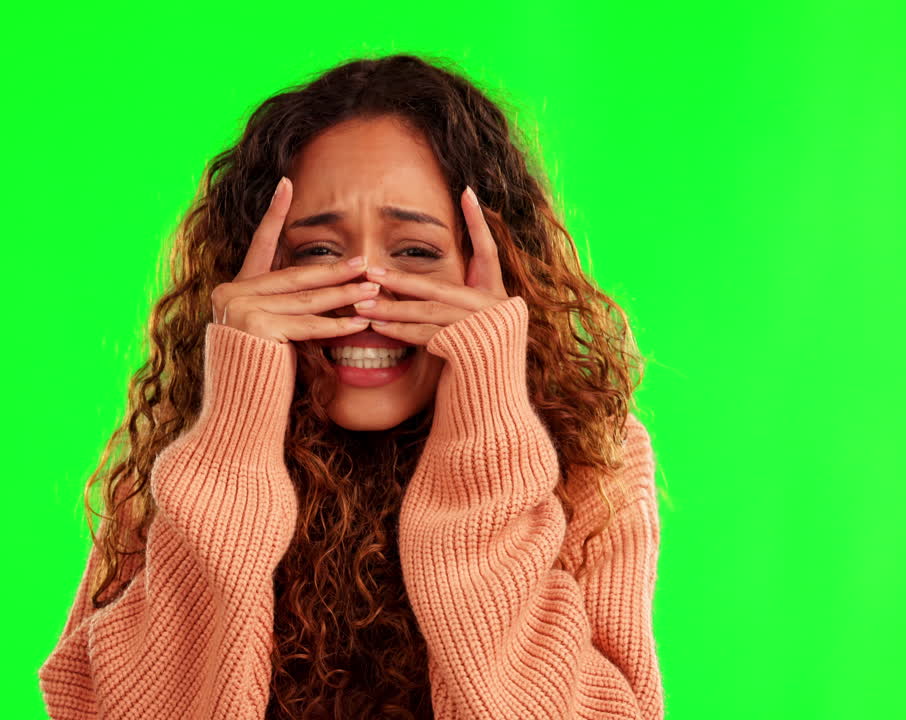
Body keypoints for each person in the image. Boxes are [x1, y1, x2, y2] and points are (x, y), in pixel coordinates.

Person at [37, 52, 665, 719]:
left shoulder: (597, 460)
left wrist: (486, 439)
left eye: (416, 254)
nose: (365, 295)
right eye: (318, 254)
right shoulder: (191, 457)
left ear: (497, 272)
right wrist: (234, 441)